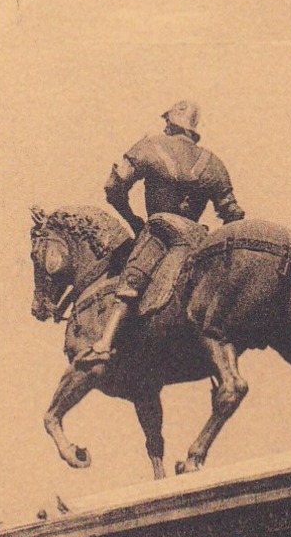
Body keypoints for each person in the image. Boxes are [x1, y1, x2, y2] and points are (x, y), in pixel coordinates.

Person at [92, 101, 244, 361]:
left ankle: (105, 342)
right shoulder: (213, 163)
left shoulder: (150, 146)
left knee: (133, 276)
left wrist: (132, 218)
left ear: (172, 124)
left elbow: (113, 187)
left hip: (161, 229)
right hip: (198, 238)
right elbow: (233, 214)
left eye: (167, 122)